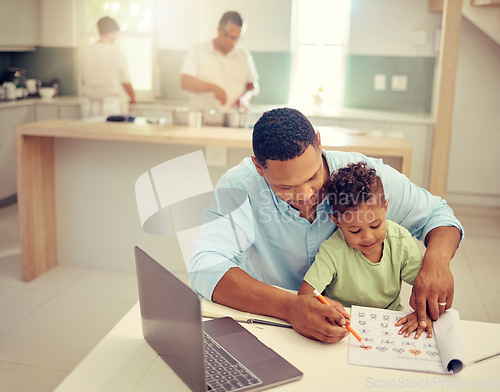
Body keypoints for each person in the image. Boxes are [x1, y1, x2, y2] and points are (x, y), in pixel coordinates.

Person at [188, 107, 463, 343]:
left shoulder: (361, 177)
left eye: (312, 177)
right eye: (286, 187)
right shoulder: (240, 185)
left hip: (352, 330)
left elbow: (438, 215)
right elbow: (205, 266)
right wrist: (289, 307)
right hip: (268, 322)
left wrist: (436, 260)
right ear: (259, 169)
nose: (306, 195)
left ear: (319, 143)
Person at [298, 161, 432, 339]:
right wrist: (326, 309)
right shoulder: (333, 250)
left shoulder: (400, 241)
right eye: (355, 230)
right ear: (337, 222)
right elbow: (306, 294)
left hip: (391, 324)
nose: (368, 237)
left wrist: (422, 314)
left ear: (385, 208)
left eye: (375, 225)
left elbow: (426, 287)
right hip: (345, 325)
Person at [180, 11, 259, 114]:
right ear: (219, 30)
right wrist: (213, 88)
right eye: (230, 36)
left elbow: (253, 86)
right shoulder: (197, 50)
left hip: (234, 119)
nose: (233, 42)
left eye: (237, 38)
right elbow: (185, 82)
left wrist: (245, 98)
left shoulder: (243, 54)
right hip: (203, 121)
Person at [81, 16, 136, 118]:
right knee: (110, 133)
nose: (115, 37)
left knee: (88, 133)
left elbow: (83, 80)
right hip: (111, 105)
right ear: (112, 33)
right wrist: (133, 98)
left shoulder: (85, 51)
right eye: (115, 34)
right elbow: (126, 82)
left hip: (88, 105)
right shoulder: (116, 53)